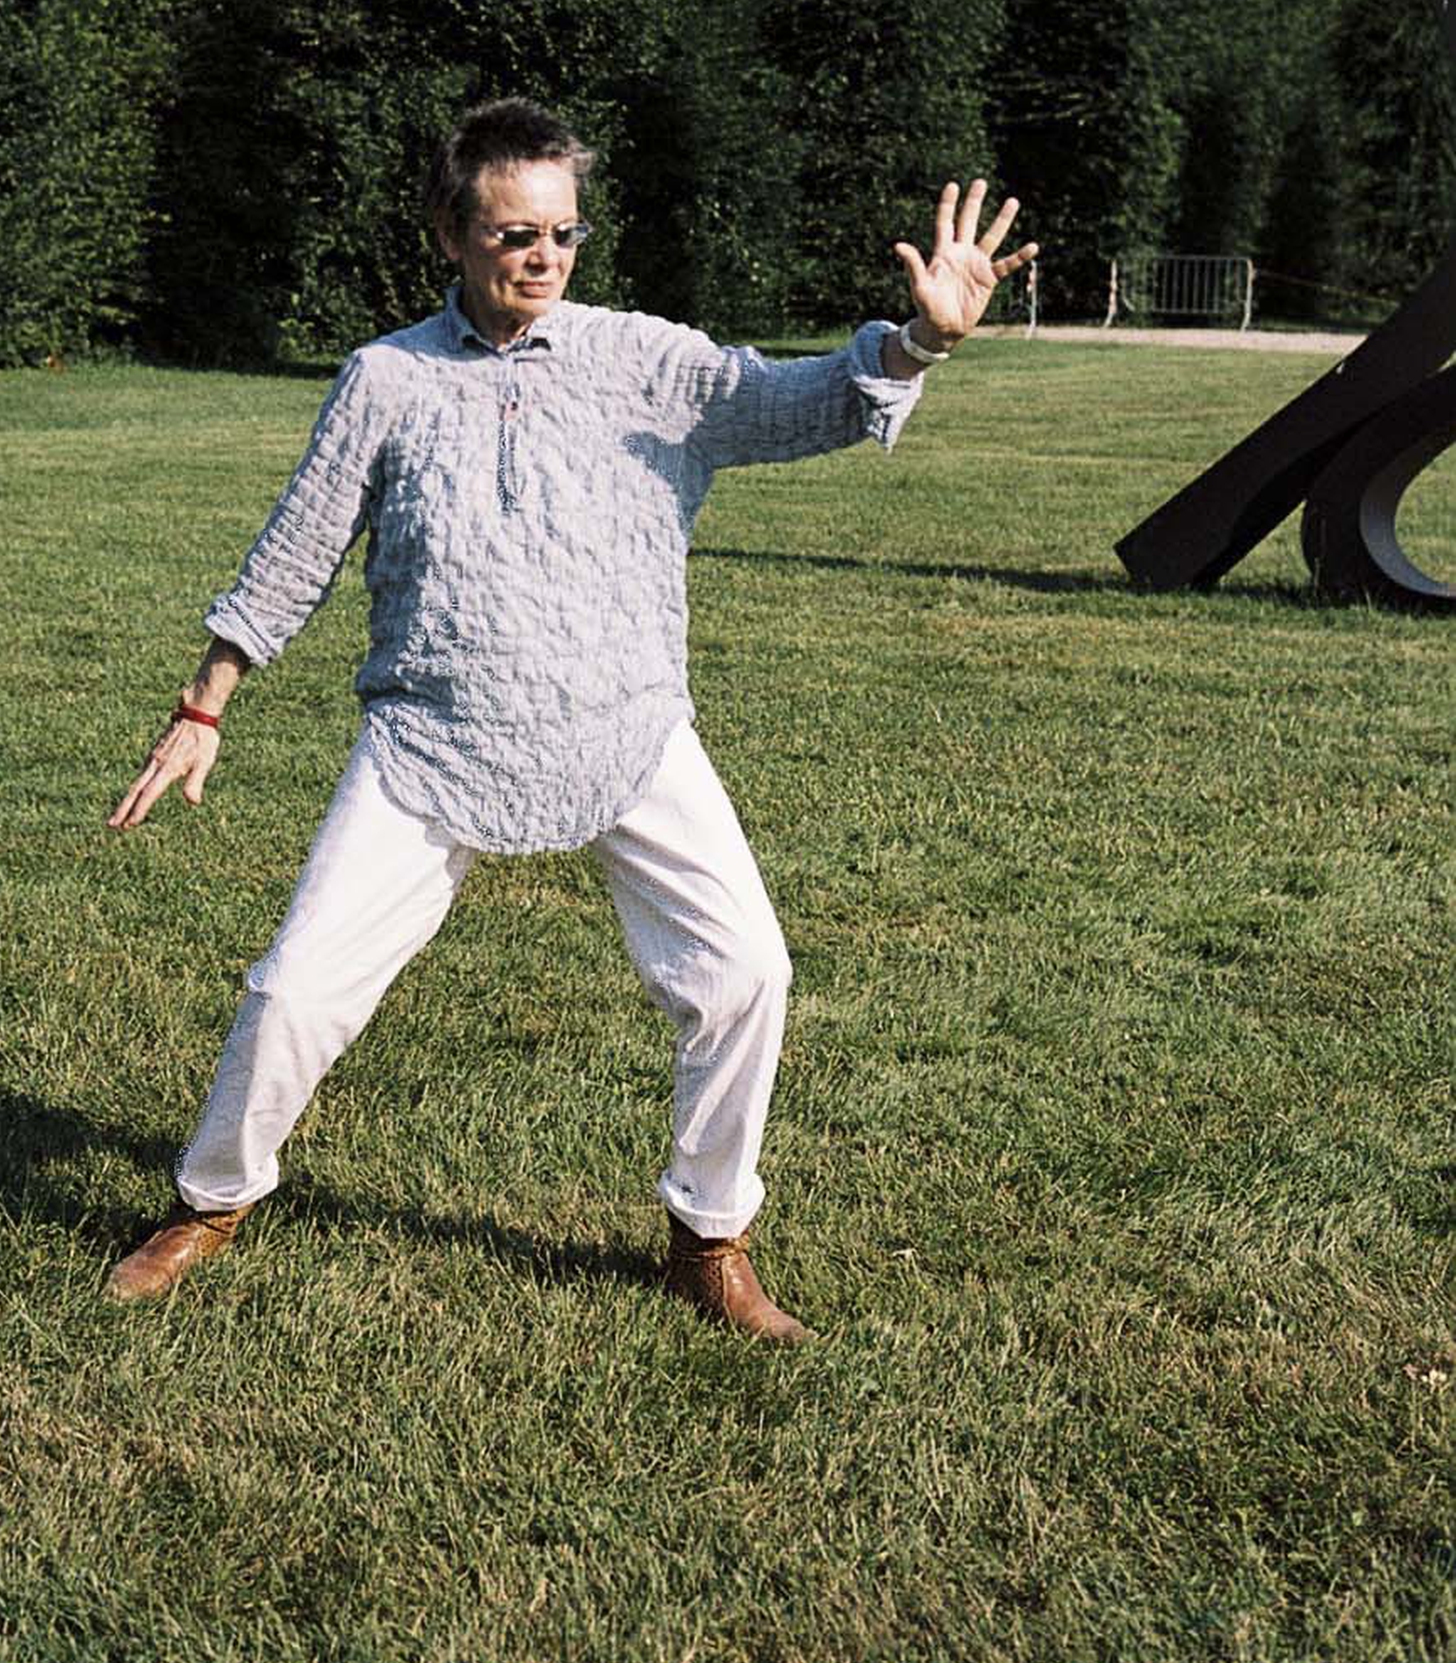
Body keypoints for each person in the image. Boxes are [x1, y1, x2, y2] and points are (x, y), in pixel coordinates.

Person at [105, 98, 1034, 1341]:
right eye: (513, 236)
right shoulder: (386, 379)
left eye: (563, 234)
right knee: (295, 992)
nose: (543, 258)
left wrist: (919, 344)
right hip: (430, 738)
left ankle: (710, 1237)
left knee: (747, 973)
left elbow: (809, 398)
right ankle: (209, 1203)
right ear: (451, 232)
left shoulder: (645, 361)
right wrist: (203, 703)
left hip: (628, 731)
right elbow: (297, 549)